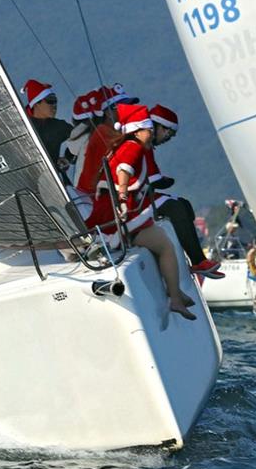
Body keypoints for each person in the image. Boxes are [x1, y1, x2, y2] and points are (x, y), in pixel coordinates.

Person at [85, 103, 196, 321]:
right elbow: (123, 170)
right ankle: (174, 297)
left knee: (161, 242)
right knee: (165, 247)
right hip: (118, 216)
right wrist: (124, 196)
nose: (152, 133)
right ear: (138, 130)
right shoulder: (133, 147)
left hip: (113, 213)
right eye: (149, 129)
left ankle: (175, 292)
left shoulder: (126, 145)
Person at [146, 104, 223, 278]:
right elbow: (154, 179)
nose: (169, 138)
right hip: (135, 200)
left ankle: (197, 258)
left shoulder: (146, 145)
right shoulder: (141, 145)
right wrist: (166, 181)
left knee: (184, 205)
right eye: (169, 133)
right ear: (157, 126)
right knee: (176, 208)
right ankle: (197, 260)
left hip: (142, 195)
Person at [75, 83, 137, 196]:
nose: (129, 110)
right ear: (108, 113)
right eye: (123, 107)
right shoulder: (102, 132)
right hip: (91, 199)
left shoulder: (117, 133)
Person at [20, 79, 72, 183]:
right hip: (31, 185)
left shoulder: (59, 126)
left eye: (55, 101)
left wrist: (68, 158)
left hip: (59, 184)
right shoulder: (21, 127)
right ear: (36, 104)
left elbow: (80, 139)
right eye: (50, 101)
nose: (54, 105)